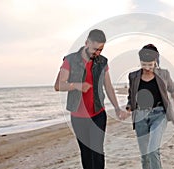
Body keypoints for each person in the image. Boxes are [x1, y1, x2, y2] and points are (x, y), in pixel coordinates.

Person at [54, 29, 127, 169]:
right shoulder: (70, 60)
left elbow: (109, 87)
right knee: (86, 154)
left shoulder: (102, 62)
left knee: (97, 152)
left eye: (101, 49)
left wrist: (117, 108)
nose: (98, 53)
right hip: (78, 117)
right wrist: (76, 85)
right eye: (95, 49)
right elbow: (58, 85)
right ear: (87, 43)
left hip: (98, 114)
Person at [126, 44, 174, 169]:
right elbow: (131, 95)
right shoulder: (133, 76)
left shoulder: (164, 74)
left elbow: (172, 89)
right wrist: (129, 108)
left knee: (152, 150)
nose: (147, 68)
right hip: (140, 116)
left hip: (159, 114)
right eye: (144, 64)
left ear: (156, 61)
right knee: (145, 155)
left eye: (150, 65)